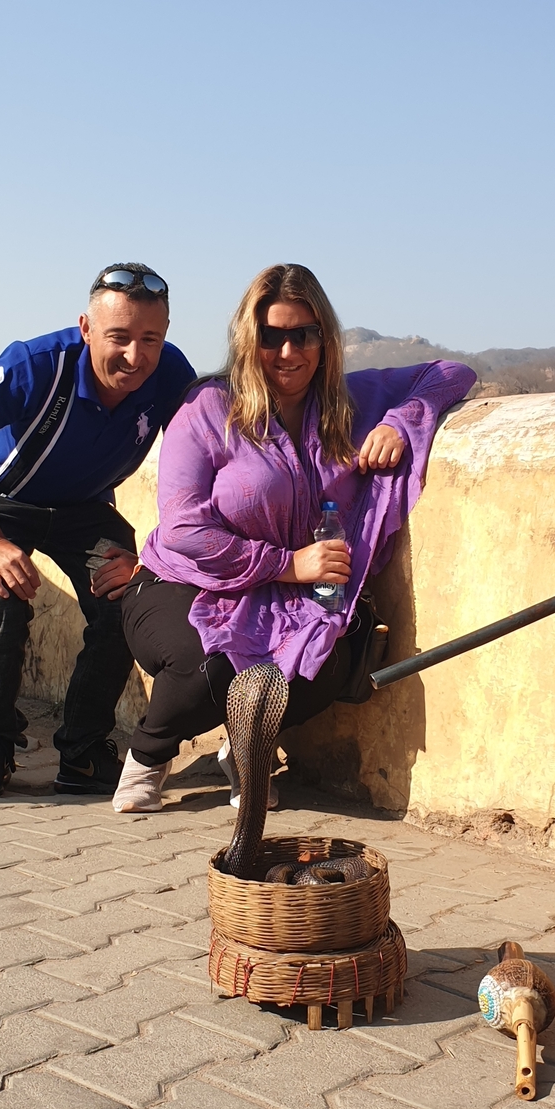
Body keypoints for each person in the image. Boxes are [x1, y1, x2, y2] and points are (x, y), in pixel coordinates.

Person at [112, 262, 476, 813]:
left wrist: (400, 423)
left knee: (321, 663)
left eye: (302, 335)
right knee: (211, 663)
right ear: (247, 339)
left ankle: (246, 748)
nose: (288, 353)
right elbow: (185, 528)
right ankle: (148, 754)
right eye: (271, 337)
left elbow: (451, 373)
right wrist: (288, 564)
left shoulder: (348, 403)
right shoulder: (207, 408)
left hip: (288, 599)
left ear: (323, 339)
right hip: (180, 582)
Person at [0, 264, 196, 799]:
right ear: (86, 328)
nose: (135, 357)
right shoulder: (35, 365)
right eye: (118, 337)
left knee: (128, 599)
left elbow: (201, 460)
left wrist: (158, 560)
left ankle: (84, 751)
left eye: (151, 339)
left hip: (85, 508)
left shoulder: (169, 373)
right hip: (1, 502)